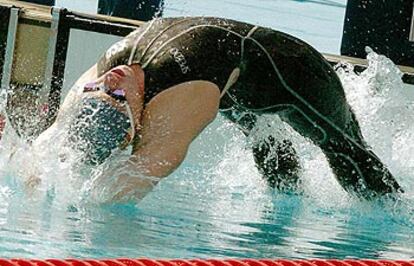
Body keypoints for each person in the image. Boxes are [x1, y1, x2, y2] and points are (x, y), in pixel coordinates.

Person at [33, 17, 402, 200]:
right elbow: (46, 146)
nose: (109, 82)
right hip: (230, 75)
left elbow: (144, 171)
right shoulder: (100, 88)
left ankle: (395, 212)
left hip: (294, 70)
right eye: (108, 94)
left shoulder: (180, 98)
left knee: (346, 148)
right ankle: (290, 206)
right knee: (263, 141)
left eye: (104, 89)